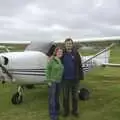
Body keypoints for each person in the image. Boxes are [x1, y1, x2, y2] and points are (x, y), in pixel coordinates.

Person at [61, 38, 84, 117]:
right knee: (65, 97)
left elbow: (80, 66)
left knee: (75, 96)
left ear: (72, 45)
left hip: (75, 79)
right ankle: (66, 111)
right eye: (67, 44)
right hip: (65, 80)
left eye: (70, 43)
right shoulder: (62, 54)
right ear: (65, 45)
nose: (69, 45)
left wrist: (80, 77)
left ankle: (75, 111)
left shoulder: (76, 53)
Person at [46, 47, 64, 120]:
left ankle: (57, 110)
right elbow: (47, 70)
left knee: (57, 97)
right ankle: (52, 114)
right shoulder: (52, 60)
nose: (60, 53)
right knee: (52, 98)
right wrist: (48, 81)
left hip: (59, 81)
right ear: (56, 52)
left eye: (61, 52)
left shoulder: (60, 60)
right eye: (59, 52)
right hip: (52, 81)